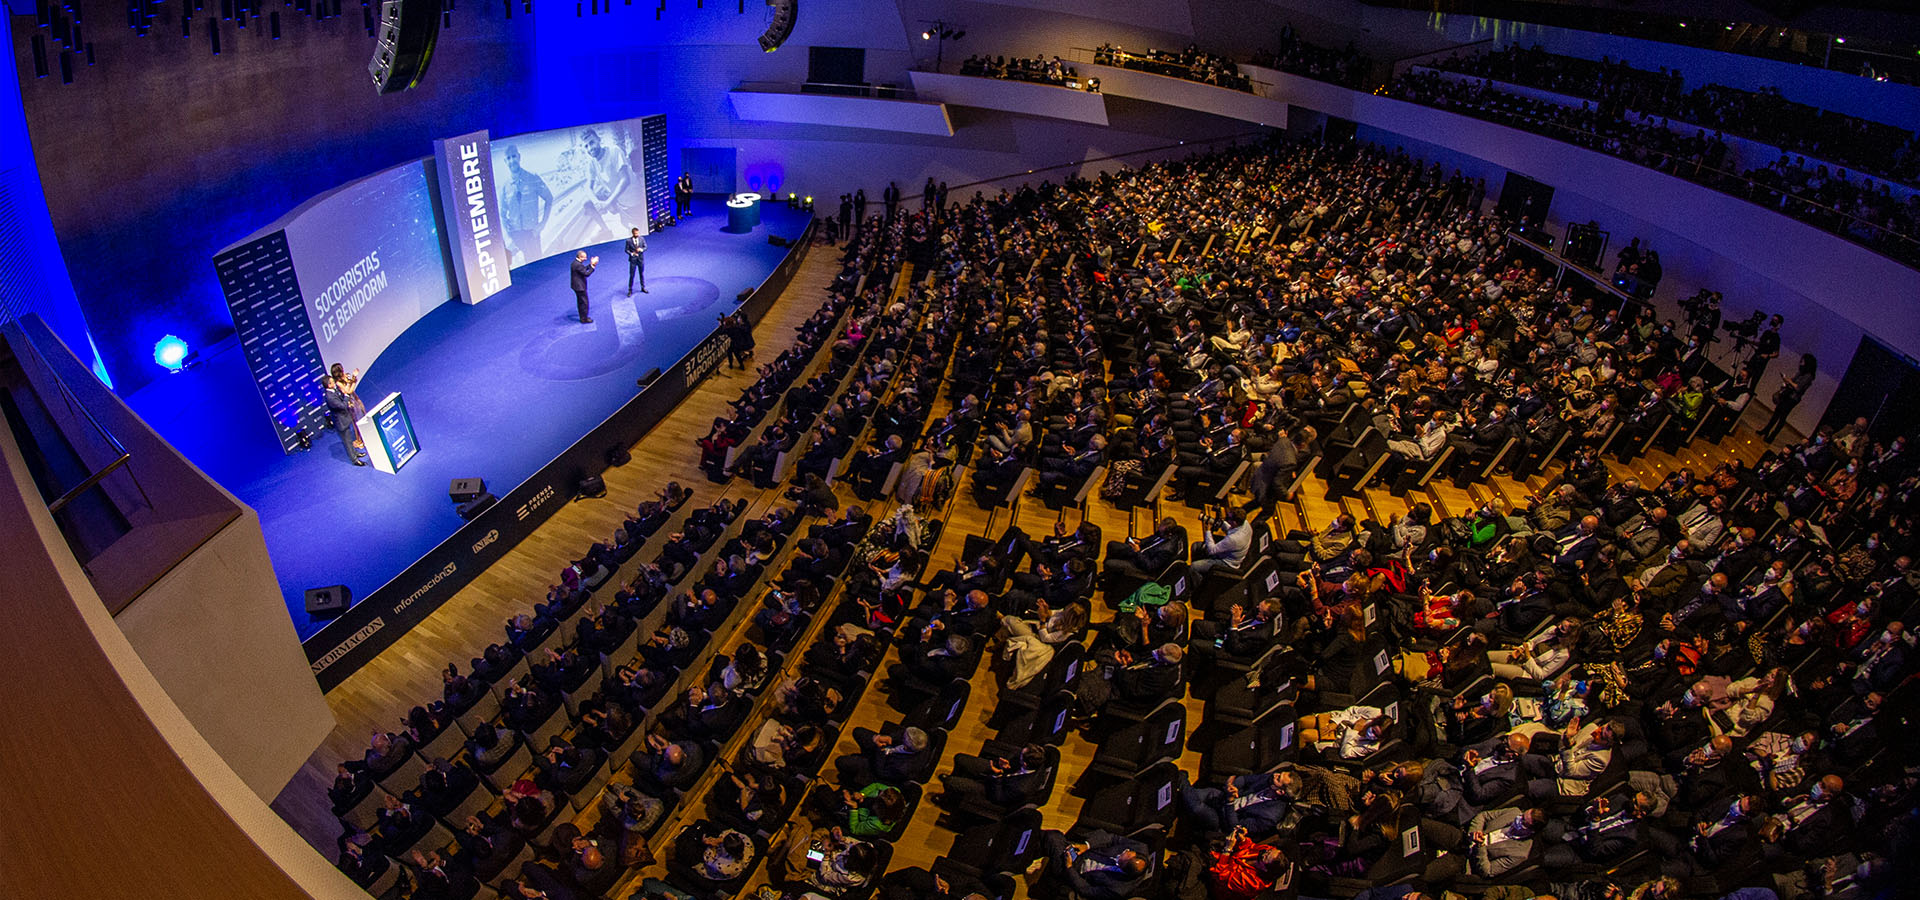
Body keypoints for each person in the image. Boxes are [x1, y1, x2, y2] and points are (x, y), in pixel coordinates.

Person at [499, 144, 553, 265]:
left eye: (513, 156)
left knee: (538, 266)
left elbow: (549, 198)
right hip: (517, 236)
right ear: (505, 161)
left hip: (532, 233)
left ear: (519, 157)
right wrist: (509, 234)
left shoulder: (533, 178)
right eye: (508, 158)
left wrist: (542, 224)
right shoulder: (505, 187)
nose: (511, 160)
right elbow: (502, 214)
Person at [322, 375, 367, 466]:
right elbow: (342, 405)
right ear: (329, 385)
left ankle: (355, 453)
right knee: (347, 441)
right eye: (332, 382)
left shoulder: (334, 391)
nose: (334, 383)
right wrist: (346, 396)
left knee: (349, 439)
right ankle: (354, 460)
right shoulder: (329, 397)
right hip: (341, 422)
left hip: (345, 419)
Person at [570, 250, 598, 324]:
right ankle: (584, 319)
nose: (585, 259)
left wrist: (590, 264)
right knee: (584, 303)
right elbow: (586, 273)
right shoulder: (578, 265)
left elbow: (582, 269)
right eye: (584, 258)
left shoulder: (575, 263)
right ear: (580, 257)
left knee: (580, 302)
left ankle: (582, 316)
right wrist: (593, 266)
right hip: (580, 287)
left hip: (576, 286)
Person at [626, 227, 648, 295]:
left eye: (637, 233)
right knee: (632, 275)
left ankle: (643, 287)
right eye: (635, 233)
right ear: (633, 233)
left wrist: (641, 249)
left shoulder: (642, 239)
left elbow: (645, 247)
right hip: (633, 260)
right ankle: (630, 290)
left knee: (641, 274)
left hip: (640, 259)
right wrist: (632, 254)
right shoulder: (628, 241)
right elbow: (626, 250)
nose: (637, 234)